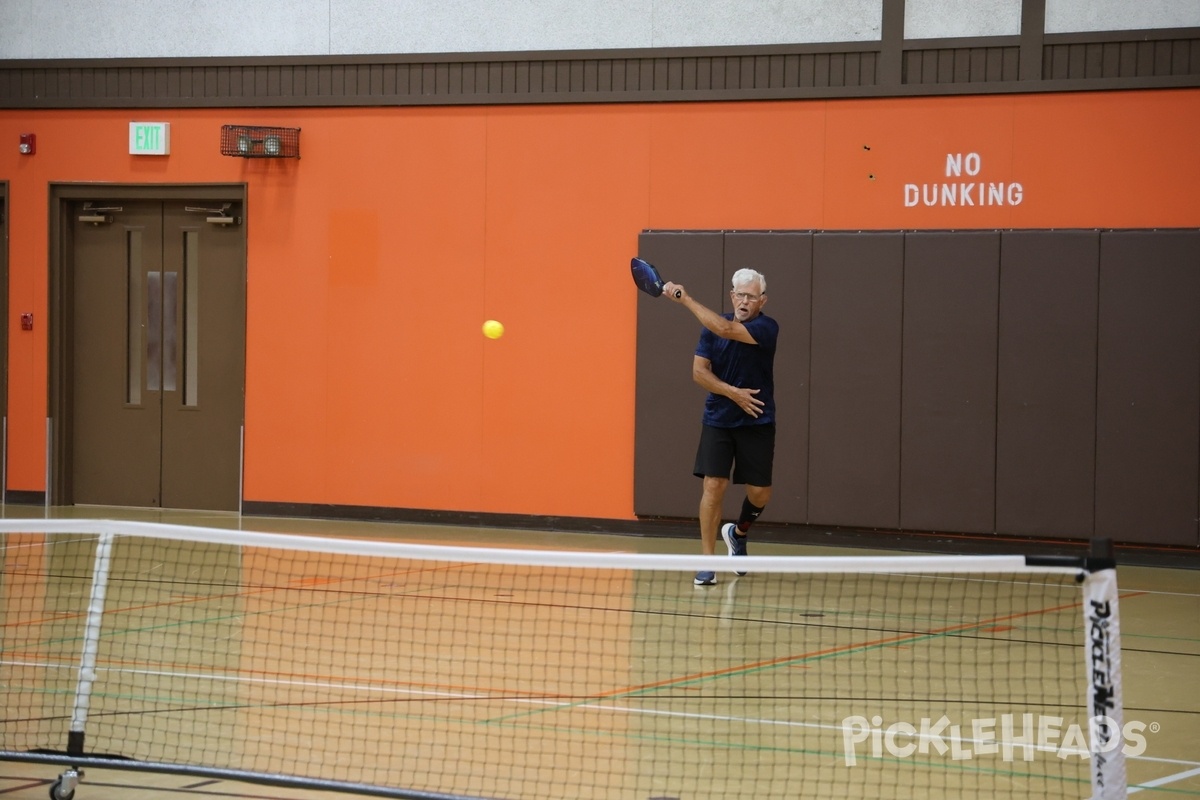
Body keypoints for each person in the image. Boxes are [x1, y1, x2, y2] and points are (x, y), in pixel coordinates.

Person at [661, 269, 778, 586]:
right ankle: (707, 561)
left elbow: (726, 329)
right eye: (739, 294)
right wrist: (733, 393)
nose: (744, 301)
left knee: (760, 493)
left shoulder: (767, 327)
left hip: (757, 419)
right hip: (719, 420)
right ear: (731, 296)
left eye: (751, 296)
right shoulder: (709, 328)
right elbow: (699, 373)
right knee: (714, 486)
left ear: (761, 301)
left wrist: (684, 299)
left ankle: (738, 533)